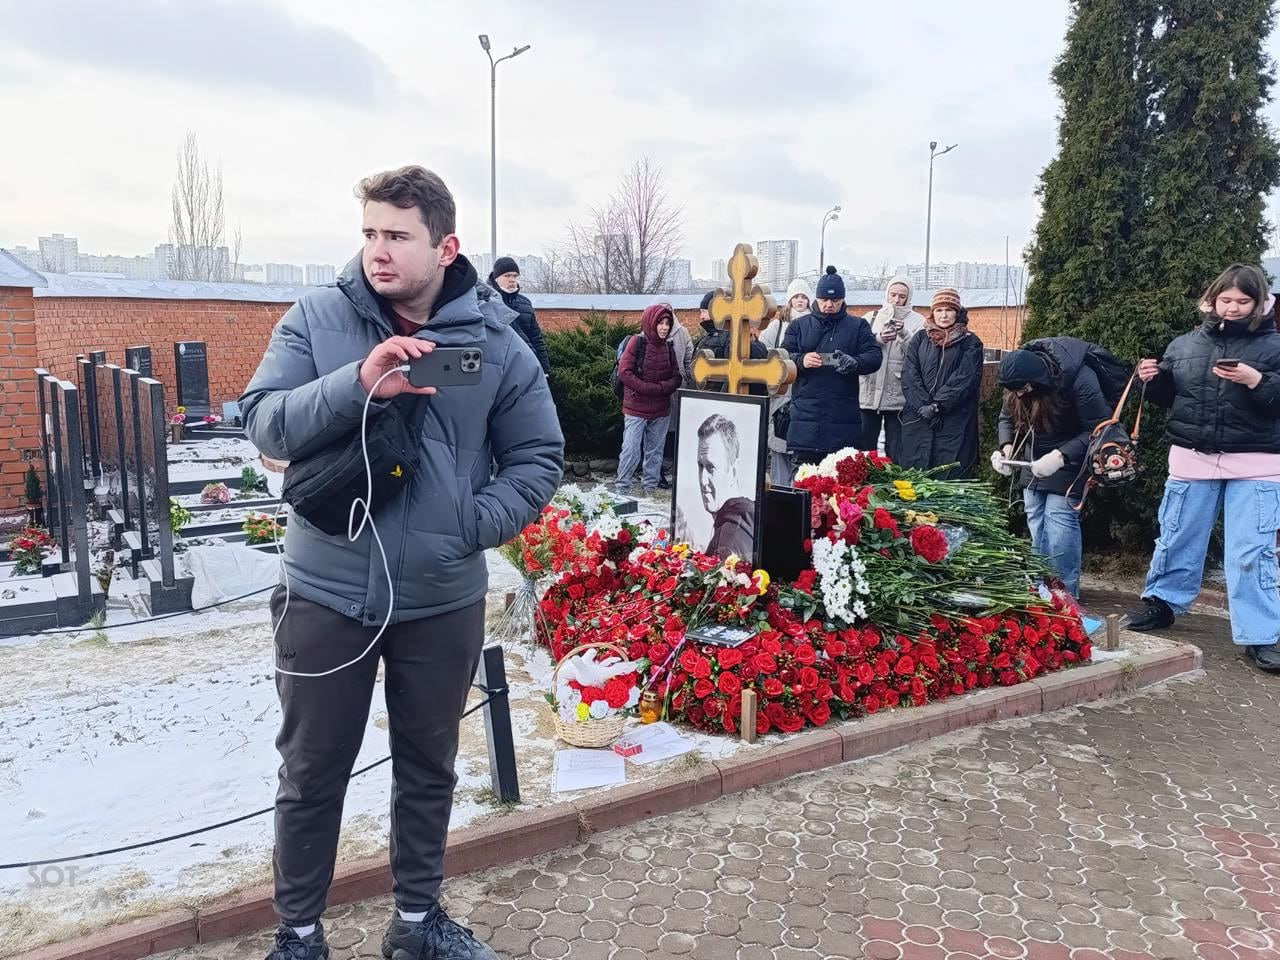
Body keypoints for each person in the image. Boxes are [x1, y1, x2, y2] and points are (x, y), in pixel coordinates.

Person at [240, 165, 562, 960]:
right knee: (311, 771)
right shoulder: (317, 319)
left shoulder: (494, 342)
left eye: (397, 236)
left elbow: (538, 456)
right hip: (326, 594)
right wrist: (359, 383)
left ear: (446, 247)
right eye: (369, 234)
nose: (377, 251)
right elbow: (265, 424)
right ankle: (299, 935)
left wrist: (469, 524)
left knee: (429, 766)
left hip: (441, 596)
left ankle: (417, 924)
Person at [1126, 263, 1280, 673]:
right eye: (1225, 299)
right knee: (1177, 535)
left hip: (1257, 461)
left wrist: (1256, 380)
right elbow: (1172, 399)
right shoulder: (1184, 344)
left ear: (1260, 304)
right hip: (1192, 456)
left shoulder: (1275, 347)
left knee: (1251, 551)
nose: (1233, 308)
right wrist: (1152, 380)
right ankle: (1162, 603)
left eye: (1243, 301)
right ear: (1211, 300)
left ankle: (1261, 634)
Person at [991, 338, 1113, 596]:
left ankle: (1064, 594)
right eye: (1015, 391)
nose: (1020, 395)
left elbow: (1098, 428)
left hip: (1072, 455)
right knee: (1036, 518)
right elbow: (1006, 417)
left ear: (1038, 379)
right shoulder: (1017, 384)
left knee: (1059, 521)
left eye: (1024, 389)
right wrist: (1007, 447)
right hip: (1034, 457)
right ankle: (1041, 587)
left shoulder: (1080, 379)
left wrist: (1061, 456)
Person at [781, 266, 883, 466]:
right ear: (816, 299)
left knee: (841, 480)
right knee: (805, 478)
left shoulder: (858, 326)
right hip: (806, 415)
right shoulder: (799, 326)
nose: (829, 305)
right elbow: (782, 358)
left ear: (843, 300)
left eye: (835, 300)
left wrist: (855, 363)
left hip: (844, 415)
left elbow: (874, 356)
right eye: (824, 300)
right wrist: (801, 360)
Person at [900, 288, 984, 479]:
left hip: (954, 420)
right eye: (939, 310)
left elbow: (965, 379)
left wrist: (937, 406)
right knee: (916, 478)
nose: (944, 315)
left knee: (949, 475)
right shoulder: (920, 339)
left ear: (957, 312)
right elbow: (910, 374)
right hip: (919, 418)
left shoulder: (970, 342)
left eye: (949, 310)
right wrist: (923, 406)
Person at [617, 303, 683, 494]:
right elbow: (625, 372)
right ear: (651, 323)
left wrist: (661, 388)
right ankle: (622, 490)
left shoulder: (669, 347)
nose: (664, 327)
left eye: (667, 323)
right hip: (636, 408)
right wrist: (647, 388)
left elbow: (676, 376)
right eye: (660, 323)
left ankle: (650, 490)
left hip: (661, 409)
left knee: (655, 452)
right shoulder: (637, 342)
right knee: (631, 450)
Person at [860, 276, 926, 461]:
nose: (896, 300)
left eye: (902, 296)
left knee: (896, 450)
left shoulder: (918, 321)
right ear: (887, 293)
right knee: (864, 450)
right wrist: (878, 338)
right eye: (893, 294)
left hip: (898, 394)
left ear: (909, 297)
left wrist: (904, 334)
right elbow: (858, 347)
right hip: (869, 390)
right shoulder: (870, 317)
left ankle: (893, 478)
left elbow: (920, 354)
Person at [760, 278, 812, 485]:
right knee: (779, 443)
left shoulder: (815, 323)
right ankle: (779, 490)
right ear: (789, 300)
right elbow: (763, 352)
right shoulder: (777, 326)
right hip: (781, 393)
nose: (800, 301)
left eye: (804, 297)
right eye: (796, 297)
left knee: (802, 453)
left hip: (805, 391)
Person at [689, 413, 756, 560]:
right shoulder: (747, 517)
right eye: (700, 466)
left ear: (733, 470)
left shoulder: (726, 543)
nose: (703, 480)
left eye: (711, 467)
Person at [694, 289, 770, 396]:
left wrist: (721, 401)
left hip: (718, 400)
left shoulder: (732, 339)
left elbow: (731, 377)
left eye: (704, 311)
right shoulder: (707, 338)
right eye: (700, 312)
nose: (701, 316)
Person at [488, 255, 550, 374]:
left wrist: (545, 371)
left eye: (515, 276)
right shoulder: (486, 302)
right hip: (498, 368)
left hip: (526, 365)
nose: (512, 279)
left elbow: (537, 339)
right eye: (507, 276)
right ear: (496, 279)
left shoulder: (525, 303)